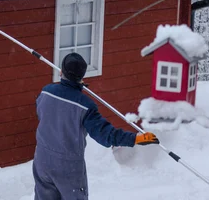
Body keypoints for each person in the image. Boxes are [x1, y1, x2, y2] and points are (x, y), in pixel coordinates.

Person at [33, 52, 159, 200]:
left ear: (61, 72)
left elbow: (43, 111)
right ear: (81, 77)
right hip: (67, 166)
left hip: (42, 160)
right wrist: (134, 139)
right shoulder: (85, 105)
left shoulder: (46, 92)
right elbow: (105, 134)